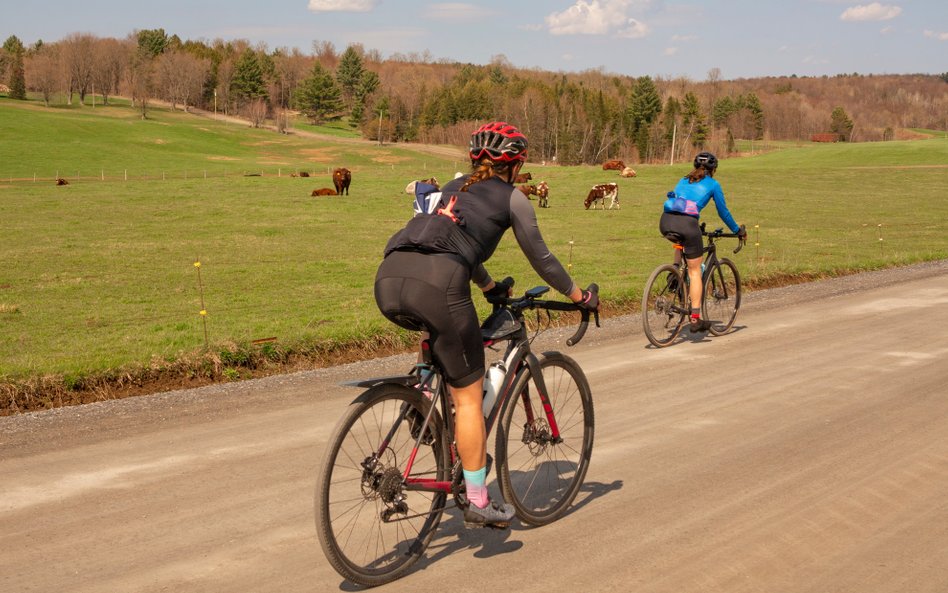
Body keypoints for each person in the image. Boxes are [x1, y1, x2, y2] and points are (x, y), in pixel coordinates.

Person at [374, 121, 598, 528]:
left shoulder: (452, 186)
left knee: (439, 339)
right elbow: (542, 259)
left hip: (389, 279)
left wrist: (491, 287)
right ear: (516, 165)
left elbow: (455, 245)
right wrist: (580, 296)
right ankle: (478, 500)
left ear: (474, 159)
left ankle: (423, 393)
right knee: (469, 398)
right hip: (438, 286)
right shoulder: (513, 198)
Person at [660, 151, 746, 332]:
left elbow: (679, 205)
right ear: (713, 169)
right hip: (687, 225)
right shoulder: (713, 184)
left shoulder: (683, 180)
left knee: (681, 239)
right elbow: (723, 212)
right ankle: (695, 319)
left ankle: (674, 270)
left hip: (666, 221)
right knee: (694, 272)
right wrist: (737, 230)